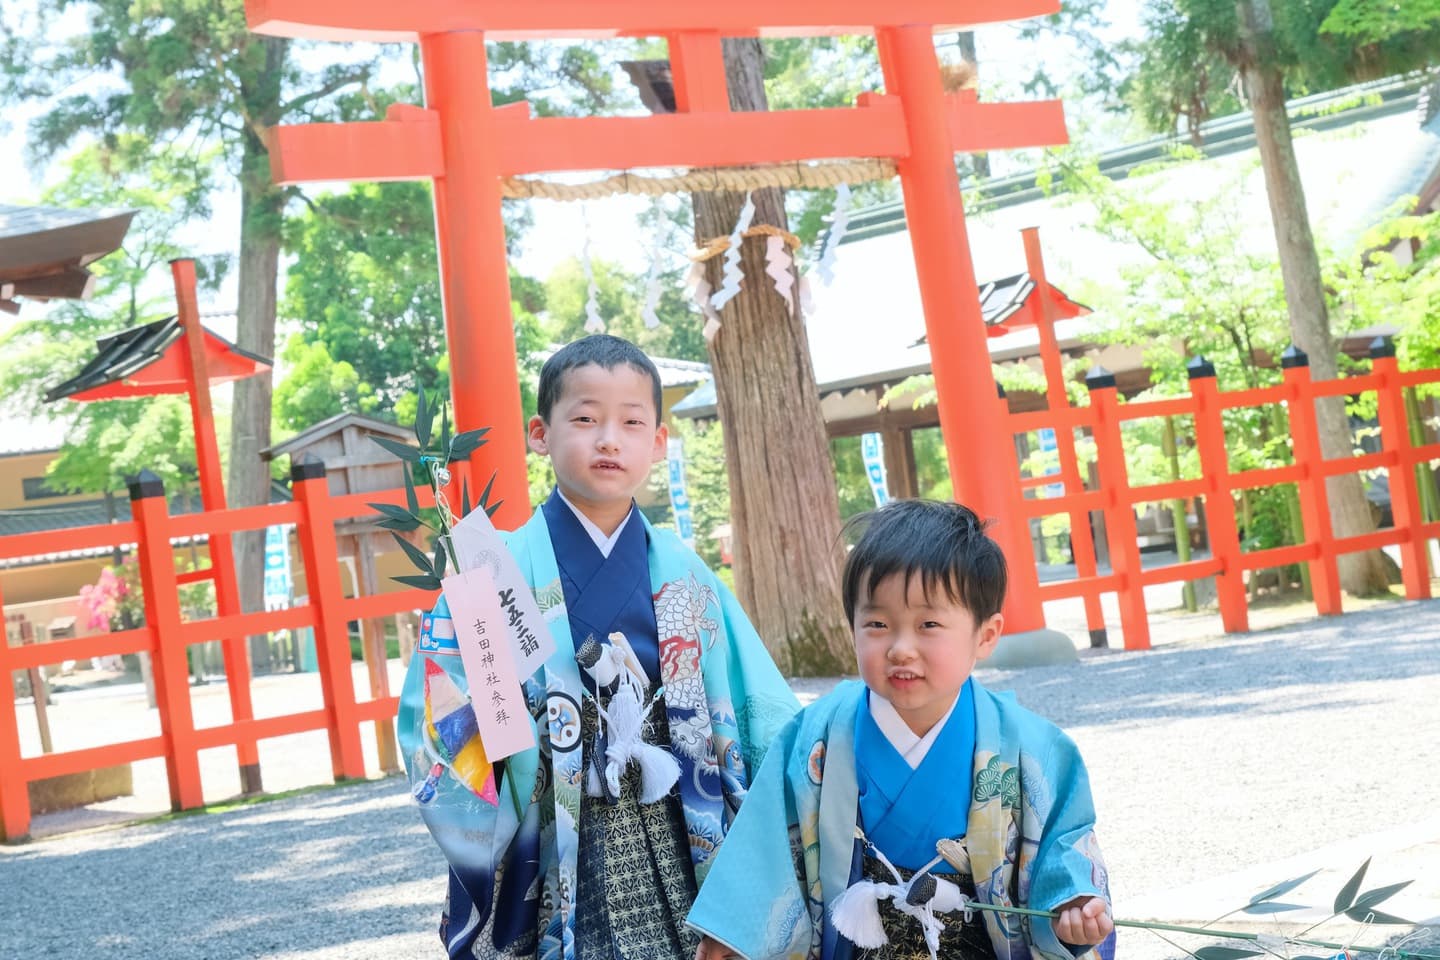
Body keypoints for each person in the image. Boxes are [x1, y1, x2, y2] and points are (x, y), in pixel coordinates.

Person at [398, 334, 800, 960]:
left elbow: (760, 717)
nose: (608, 439)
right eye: (584, 419)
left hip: (678, 832)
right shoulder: (491, 572)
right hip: (547, 837)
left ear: (658, 443)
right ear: (541, 432)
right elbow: (442, 720)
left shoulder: (686, 574)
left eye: (632, 423)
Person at [687, 499, 1115, 960]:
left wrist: (1072, 903)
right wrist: (734, 933)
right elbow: (764, 842)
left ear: (985, 635)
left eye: (928, 624)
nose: (900, 648)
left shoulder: (1033, 748)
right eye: (877, 624)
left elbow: (1064, 844)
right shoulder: (814, 736)